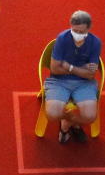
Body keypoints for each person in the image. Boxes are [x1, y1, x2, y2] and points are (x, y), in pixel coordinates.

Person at [42, 11, 101, 144]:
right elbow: (55, 69)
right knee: (52, 114)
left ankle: (65, 124)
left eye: (81, 32)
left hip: (84, 83)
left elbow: (90, 74)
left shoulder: (95, 42)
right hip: (58, 82)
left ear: (88, 29)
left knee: (90, 117)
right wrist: (82, 69)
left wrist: (69, 67)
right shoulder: (62, 38)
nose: (77, 35)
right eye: (74, 31)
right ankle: (74, 123)